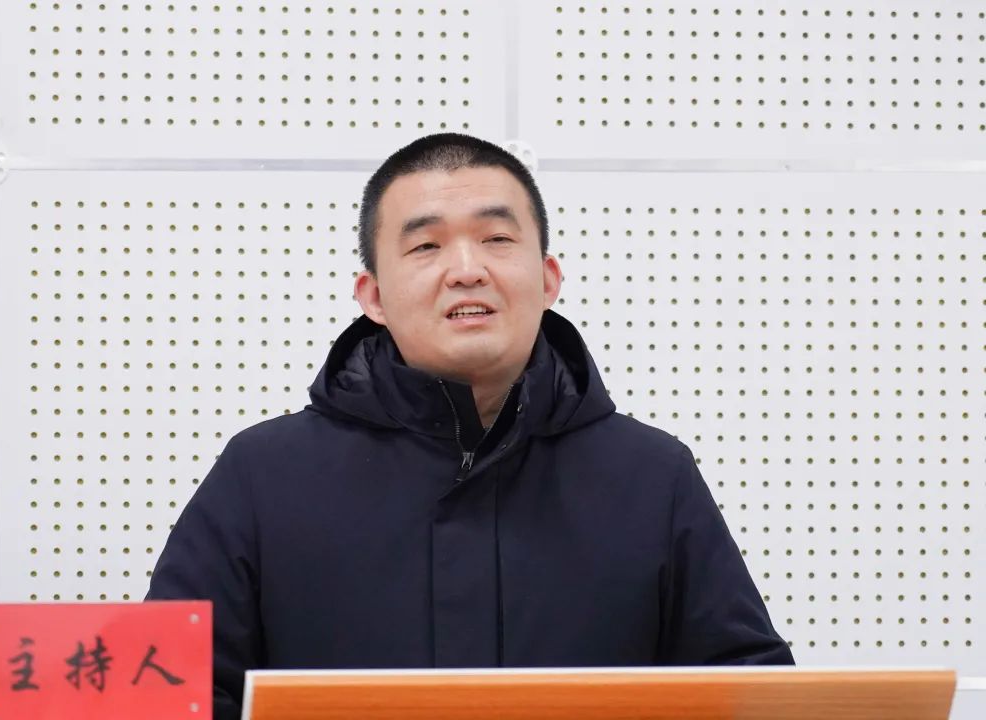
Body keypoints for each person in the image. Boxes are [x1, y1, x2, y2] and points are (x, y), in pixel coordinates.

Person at [145, 132, 794, 719]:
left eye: (497, 239)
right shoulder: (264, 475)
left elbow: (750, 693)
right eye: (426, 245)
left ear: (548, 279)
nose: (466, 269)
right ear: (373, 296)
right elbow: (163, 697)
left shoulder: (652, 476)